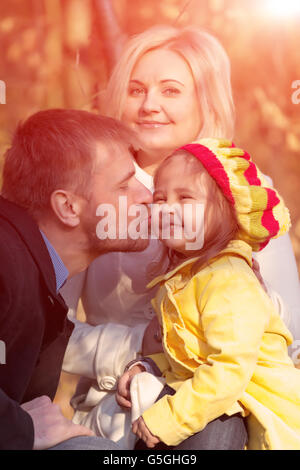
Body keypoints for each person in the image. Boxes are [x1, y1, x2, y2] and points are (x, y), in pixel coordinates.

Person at [61, 25, 300, 448]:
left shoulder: (245, 193)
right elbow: (51, 332)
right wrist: (134, 350)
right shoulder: (90, 187)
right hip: (116, 406)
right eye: (136, 90)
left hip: (229, 405)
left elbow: (292, 336)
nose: (149, 104)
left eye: (170, 90)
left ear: (204, 100)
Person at [117, 139, 300, 450]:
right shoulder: (187, 277)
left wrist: (167, 419)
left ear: (229, 211)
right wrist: (150, 365)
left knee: (210, 427)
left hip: (263, 412)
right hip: (223, 396)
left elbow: (228, 369)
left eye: (185, 198)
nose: (167, 209)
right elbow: (192, 355)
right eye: (159, 199)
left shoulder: (228, 278)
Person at [0, 108, 152, 450]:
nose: (146, 195)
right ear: (68, 207)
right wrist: (18, 428)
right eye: (124, 186)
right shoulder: (5, 258)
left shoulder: (35, 272)